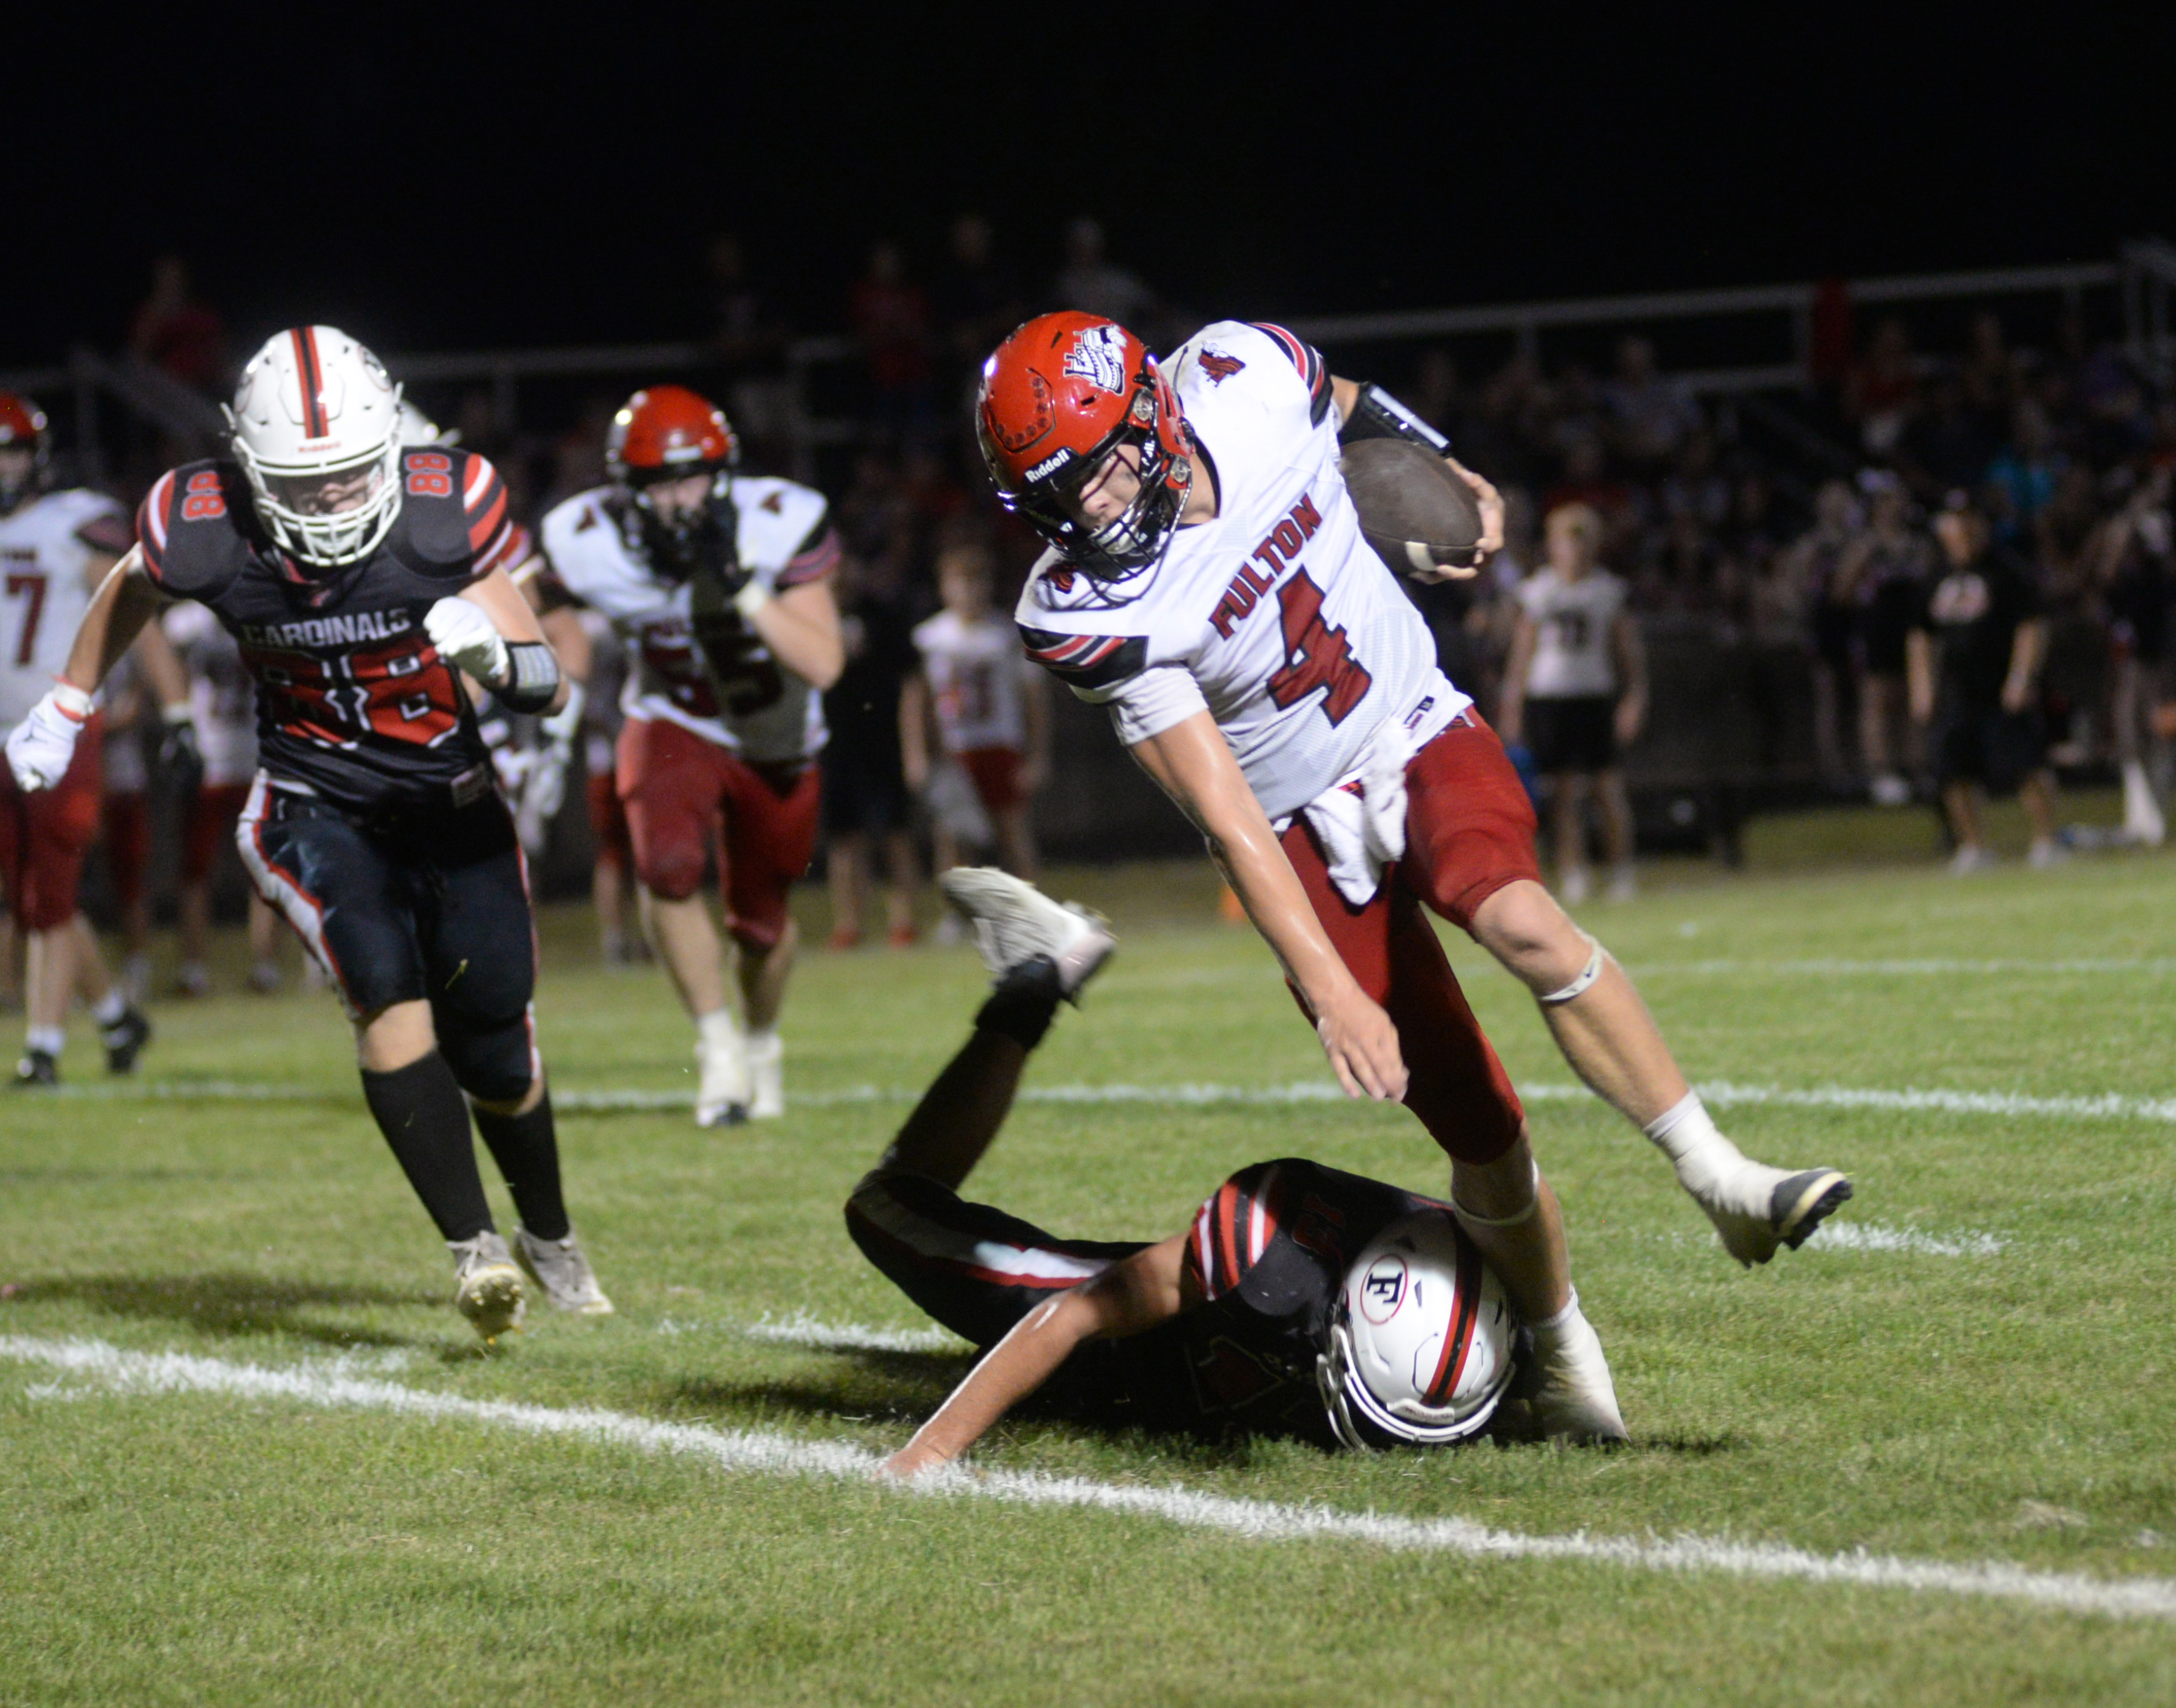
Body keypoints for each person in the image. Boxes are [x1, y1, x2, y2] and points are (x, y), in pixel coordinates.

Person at [977, 314, 1846, 1359]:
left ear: (1154, 413)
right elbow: (1227, 818)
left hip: (1408, 721)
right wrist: (1332, 989)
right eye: (1055, 497)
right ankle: (1560, 1349)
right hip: (1297, 829)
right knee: (1479, 1128)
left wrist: (1442, 462)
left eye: (1097, 474)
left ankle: (1721, 1177)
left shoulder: (1238, 378)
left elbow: (1344, 400)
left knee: (1517, 914)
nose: (1088, 511)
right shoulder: (1089, 610)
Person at [5, 328, 611, 1338]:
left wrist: (500, 664)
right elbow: (134, 584)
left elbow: (546, 676)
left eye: (348, 476)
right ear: (250, 466)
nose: (330, 498)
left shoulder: (444, 505)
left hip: (450, 804)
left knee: (498, 1047)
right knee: (383, 985)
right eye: (302, 481)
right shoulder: (202, 519)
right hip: (310, 800)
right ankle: (475, 1249)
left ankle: (548, 1231)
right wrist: (70, 698)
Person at [860, 869, 1531, 1475]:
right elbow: (1076, 1316)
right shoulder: (1269, 1254)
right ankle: (1036, 979)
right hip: (1123, 1341)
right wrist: (933, 1451)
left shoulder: (1487, 1319)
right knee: (883, 1207)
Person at [533, 384, 844, 1123]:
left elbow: (824, 662)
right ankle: (718, 1048)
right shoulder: (585, 537)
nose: (680, 498)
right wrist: (542, 693)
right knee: (667, 866)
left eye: (693, 477)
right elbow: (544, 608)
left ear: (725, 470)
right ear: (628, 489)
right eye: (661, 483)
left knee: (760, 926)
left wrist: (740, 592)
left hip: (775, 738)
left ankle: (761, 1041)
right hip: (673, 716)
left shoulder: (779, 522)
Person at [0, 392, 161, 1085]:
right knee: (31, 897)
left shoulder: (76, 521)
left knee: (51, 893)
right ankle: (118, 1016)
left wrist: (174, 704)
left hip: (58, 727)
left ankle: (43, 1047)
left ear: (37, 455)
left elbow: (136, 606)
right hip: (1, 730)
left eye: (10, 449)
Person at [1498, 504, 1645, 905]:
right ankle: (1572, 871)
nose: (1572, 551)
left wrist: (1633, 698)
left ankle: (1620, 870)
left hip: (1593, 694)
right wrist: (1512, 704)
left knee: (1606, 788)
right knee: (1561, 792)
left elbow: (1627, 651)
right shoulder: (1539, 590)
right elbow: (1522, 651)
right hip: (1549, 697)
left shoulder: (1606, 591)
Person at [1907, 498, 2061, 871]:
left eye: (1969, 522)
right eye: (1955, 523)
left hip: (1999, 683)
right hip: (1955, 689)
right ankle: (1974, 846)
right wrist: (1922, 687)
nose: (1963, 531)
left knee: (2025, 763)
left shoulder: (2006, 571)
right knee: (1953, 769)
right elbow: (1920, 637)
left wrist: (2021, 677)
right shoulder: (1936, 576)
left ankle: (2046, 841)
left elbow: (2032, 625)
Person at [902, 540, 1048, 879]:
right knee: (951, 835)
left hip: (999, 742)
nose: (968, 591)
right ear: (944, 586)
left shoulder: (1007, 634)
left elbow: (1034, 698)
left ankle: (1032, 913)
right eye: (960, 582)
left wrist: (1037, 755)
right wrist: (916, 754)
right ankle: (957, 917)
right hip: (952, 747)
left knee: (1011, 830)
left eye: (976, 581)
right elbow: (915, 701)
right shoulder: (930, 637)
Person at [161, 600, 284, 993]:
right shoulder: (191, 622)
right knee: (202, 870)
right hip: (222, 758)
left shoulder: (192, 622)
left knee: (261, 871)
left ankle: (250, 966)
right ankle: (201, 966)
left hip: (244, 756)